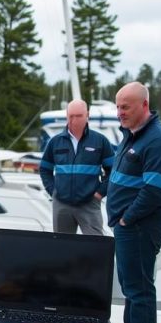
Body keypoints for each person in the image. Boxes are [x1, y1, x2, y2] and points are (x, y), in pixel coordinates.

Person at [106, 82, 161, 323]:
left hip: (139, 226)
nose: (120, 112)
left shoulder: (158, 141)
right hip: (127, 225)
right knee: (130, 287)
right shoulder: (132, 135)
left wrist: (127, 218)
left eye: (125, 107)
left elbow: (155, 192)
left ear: (144, 104)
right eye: (118, 107)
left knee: (139, 291)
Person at [39, 99, 114, 235]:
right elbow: (45, 168)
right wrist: (53, 191)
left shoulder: (100, 141)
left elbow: (113, 170)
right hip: (61, 204)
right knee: (63, 247)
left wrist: (99, 193)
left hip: (89, 203)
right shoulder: (55, 142)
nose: (74, 120)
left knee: (94, 245)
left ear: (87, 116)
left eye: (79, 116)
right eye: (71, 116)